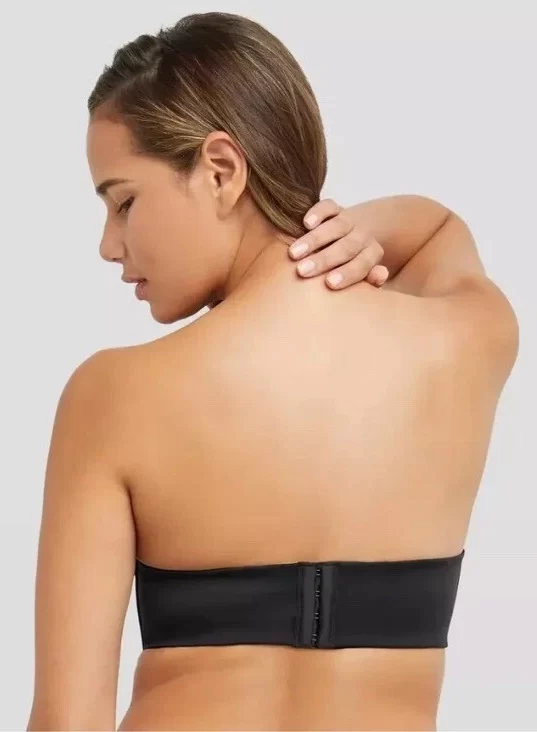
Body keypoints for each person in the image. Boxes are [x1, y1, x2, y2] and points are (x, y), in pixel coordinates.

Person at [27, 11, 519, 732]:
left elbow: (68, 723)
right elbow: (442, 231)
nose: (109, 244)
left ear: (221, 170)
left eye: (124, 202)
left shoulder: (114, 397)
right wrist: (354, 225)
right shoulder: (466, 341)